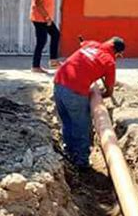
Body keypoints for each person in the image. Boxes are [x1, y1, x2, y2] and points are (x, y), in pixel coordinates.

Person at [53, 37, 126, 171]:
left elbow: (82, 43)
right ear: (118, 54)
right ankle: (81, 162)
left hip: (58, 83)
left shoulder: (91, 44)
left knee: (68, 122)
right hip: (75, 91)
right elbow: (109, 90)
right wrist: (100, 95)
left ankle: (68, 152)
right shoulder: (109, 62)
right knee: (82, 126)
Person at [30, 0, 65, 73]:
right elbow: (38, 2)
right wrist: (47, 18)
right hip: (40, 18)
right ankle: (35, 66)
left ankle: (53, 61)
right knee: (41, 41)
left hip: (43, 17)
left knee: (55, 34)